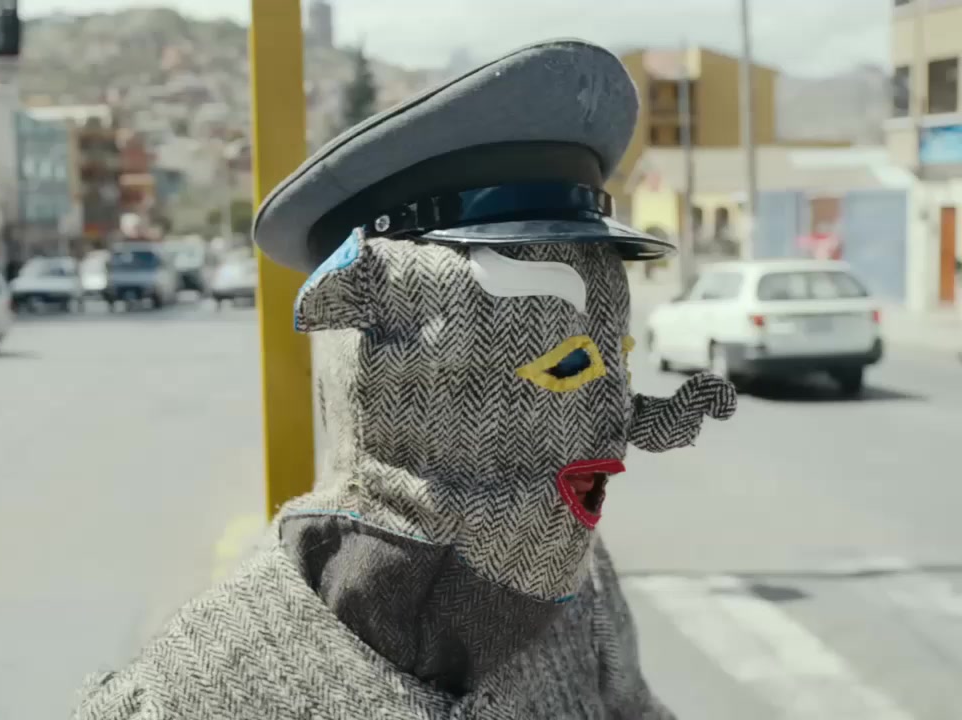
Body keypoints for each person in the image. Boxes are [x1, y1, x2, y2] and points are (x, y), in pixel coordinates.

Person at [73, 40, 737, 719]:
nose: (612, 434)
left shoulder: (584, 592)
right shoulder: (190, 697)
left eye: (615, 362)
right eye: (565, 365)